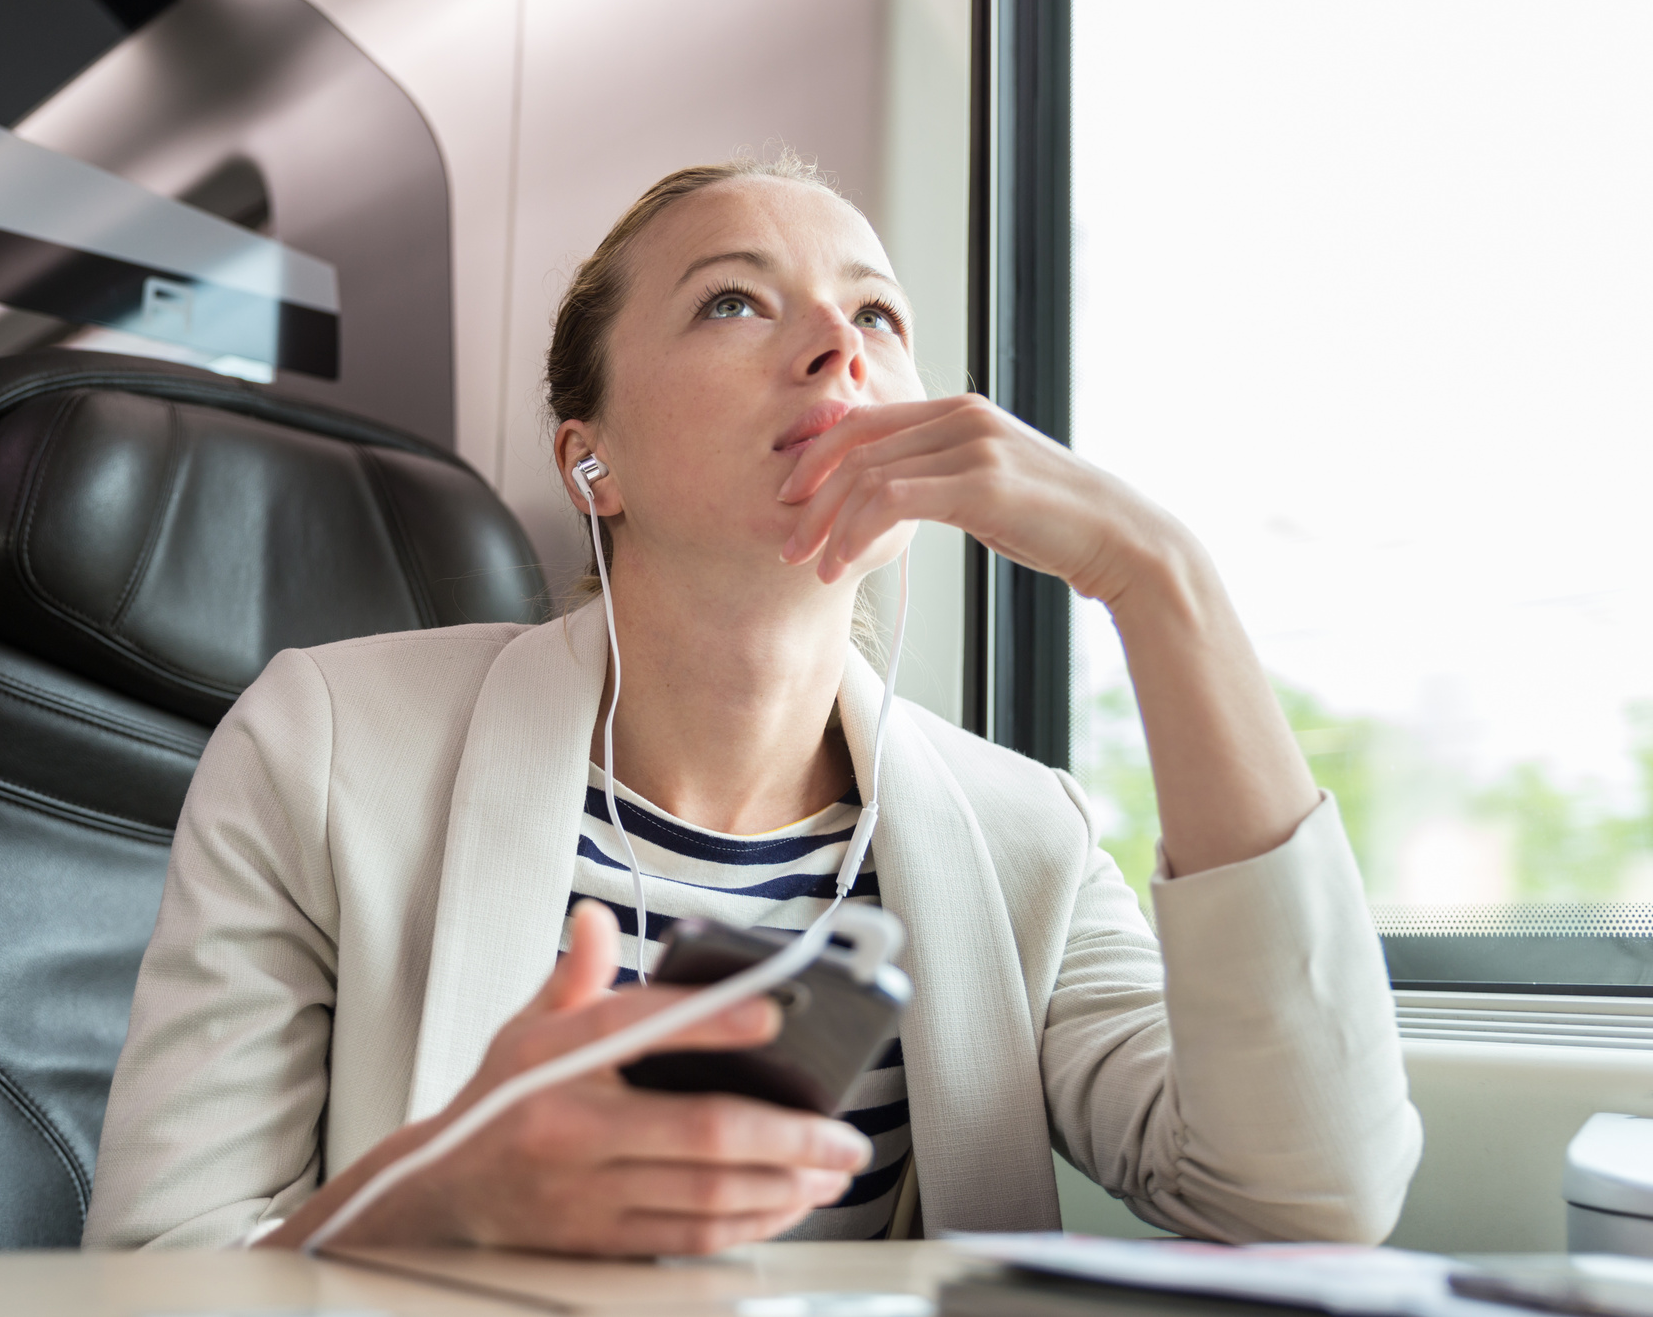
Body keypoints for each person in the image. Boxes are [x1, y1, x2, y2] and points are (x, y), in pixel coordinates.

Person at [82, 153, 1421, 1255]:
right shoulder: (322, 745)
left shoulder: (1029, 838)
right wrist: (440, 1203)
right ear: (588, 458)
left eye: (878, 317)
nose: (838, 341)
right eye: (735, 301)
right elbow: (151, 1274)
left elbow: (1301, 1205)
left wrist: (1159, 580)